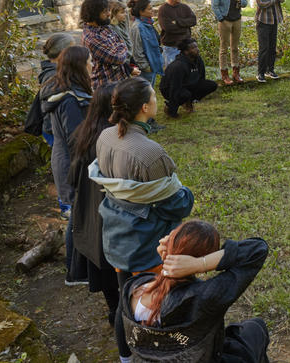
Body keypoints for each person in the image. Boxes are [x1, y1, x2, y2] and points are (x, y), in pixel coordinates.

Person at [90, 77, 194, 363]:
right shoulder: (150, 153)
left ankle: (125, 356)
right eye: (154, 98)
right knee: (157, 302)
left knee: (125, 300)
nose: (158, 101)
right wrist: (187, 195)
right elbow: (176, 204)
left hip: (115, 237)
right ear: (145, 107)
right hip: (147, 244)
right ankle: (160, 354)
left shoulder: (106, 137)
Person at [122, 221, 271, 362]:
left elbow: (119, 324)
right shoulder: (205, 296)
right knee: (256, 327)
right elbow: (257, 249)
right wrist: (201, 264)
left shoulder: (133, 287)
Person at [66, 84, 120, 327]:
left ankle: (113, 310)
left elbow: (72, 176)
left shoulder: (83, 132)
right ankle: (122, 315)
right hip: (109, 208)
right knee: (115, 264)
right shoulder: (113, 137)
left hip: (87, 208)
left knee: (102, 264)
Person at [38, 45, 92, 220]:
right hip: (71, 166)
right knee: (78, 219)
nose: (93, 66)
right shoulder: (69, 100)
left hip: (69, 163)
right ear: (80, 67)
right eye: (90, 62)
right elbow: (76, 141)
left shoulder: (66, 90)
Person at [23, 31, 76, 149]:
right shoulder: (54, 77)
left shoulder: (60, 71)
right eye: (72, 49)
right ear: (63, 53)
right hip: (56, 134)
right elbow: (50, 111)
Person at [80, 0, 135, 88]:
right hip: (105, 87)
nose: (109, 14)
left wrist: (120, 47)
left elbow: (121, 42)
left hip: (119, 82)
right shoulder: (92, 37)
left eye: (108, 10)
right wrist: (121, 47)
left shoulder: (104, 27)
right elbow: (118, 58)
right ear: (94, 14)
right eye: (105, 12)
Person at [160, 38, 218, 118]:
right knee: (184, 94)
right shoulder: (178, 66)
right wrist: (173, 110)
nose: (197, 49)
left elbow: (201, 78)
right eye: (193, 48)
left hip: (188, 85)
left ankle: (189, 102)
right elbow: (174, 88)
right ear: (186, 51)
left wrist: (198, 91)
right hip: (170, 88)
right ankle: (170, 107)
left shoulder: (198, 60)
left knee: (211, 85)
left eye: (197, 47)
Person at [211, 0, 247, 85]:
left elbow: (245, 3)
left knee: (235, 48)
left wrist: (239, 0)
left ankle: (236, 73)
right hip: (225, 21)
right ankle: (224, 74)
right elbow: (214, 5)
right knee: (224, 48)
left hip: (237, 19)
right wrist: (221, 18)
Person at [254, 0, 285, 82]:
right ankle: (260, 73)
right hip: (263, 21)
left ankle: (270, 70)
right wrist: (273, 0)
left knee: (272, 47)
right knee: (264, 48)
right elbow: (261, 3)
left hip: (274, 20)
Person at [157, 0, 197, 67]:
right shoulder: (163, 10)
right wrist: (185, 27)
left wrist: (178, 22)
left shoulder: (184, 7)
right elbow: (167, 28)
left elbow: (193, 21)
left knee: (187, 71)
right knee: (173, 72)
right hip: (171, 47)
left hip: (186, 46)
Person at [128, 0, 164, 87]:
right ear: (141, 11)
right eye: (149, 9)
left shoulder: (149, 24)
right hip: (145, 69)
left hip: (153, 65)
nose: (152, 10)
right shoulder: (137, 27)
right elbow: (137, 51)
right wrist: (146, 67)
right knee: (144, 95)